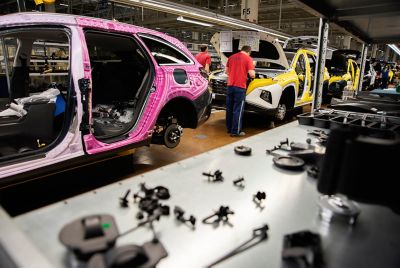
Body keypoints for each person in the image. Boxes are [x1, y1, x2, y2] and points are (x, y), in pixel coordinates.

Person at [225, 45, 255, 137]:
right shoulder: (248, 58)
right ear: (249, 52)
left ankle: (229, 129)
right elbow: (252, 74)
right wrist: (253, 69)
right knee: (238, 109)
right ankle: (235, 131)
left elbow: (226, 71)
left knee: (229, 109)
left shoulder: (231, 57)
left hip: (230, 86)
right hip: (240, 87)